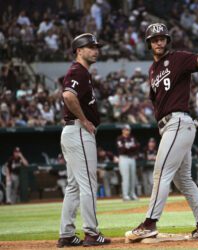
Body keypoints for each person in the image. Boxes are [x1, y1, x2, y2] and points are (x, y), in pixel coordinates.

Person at [125, 23, 198, 242]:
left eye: (162, 38)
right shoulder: (152, 70)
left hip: (178, 122)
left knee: (160, 174)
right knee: (183, 180)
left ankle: (149, 223)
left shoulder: (177, 58)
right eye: (154, 39)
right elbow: (156, 100)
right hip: (171, 126)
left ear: (167, 40)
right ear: (149, 43)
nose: (159, 42)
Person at [57, 33, 110, 248]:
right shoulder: (77, 70)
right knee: (88, 184)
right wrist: (85, 120)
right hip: (78, 131)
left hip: (72, 132)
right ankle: (91, 232)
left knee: (73, 186)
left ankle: (67, 234)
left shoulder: (83, 72)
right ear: (79, 50)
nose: (95, 50)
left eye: (96, 46)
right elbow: (68, 95)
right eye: (90, 47)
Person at [116, 124, 139, 201]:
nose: (127, 131)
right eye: (125, 129)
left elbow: (137, 147)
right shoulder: (120, 138)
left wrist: (128, 147)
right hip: (123, 158)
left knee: (132, 177)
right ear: (122, 130)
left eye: (128, 130)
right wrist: (130, 147)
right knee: (126, 177)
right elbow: (122, 150)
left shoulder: (132, 138)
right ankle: (125, 195)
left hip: (132, 158)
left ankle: (132, 194)